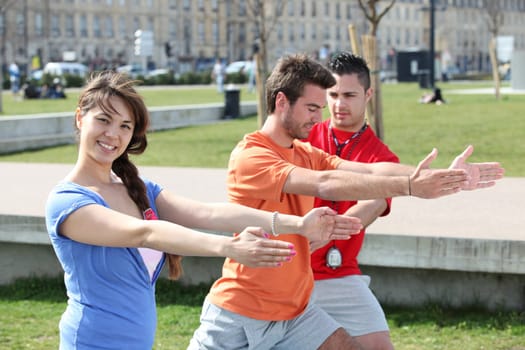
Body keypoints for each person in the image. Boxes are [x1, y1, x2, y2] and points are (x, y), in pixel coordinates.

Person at [188, 53, 504, 349]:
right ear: (281, 101)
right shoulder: (252, 156)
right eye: (313, 107)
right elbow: (326, 184)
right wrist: (409, 185)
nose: (319, 117)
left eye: (321, 108)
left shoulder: (304, 151)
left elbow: (370, 168)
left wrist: (447, 176)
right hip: (242, 311)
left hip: (294, 310)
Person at [44, 71, 361, 349]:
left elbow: (209, 213)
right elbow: (146, 233)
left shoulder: (137, 188)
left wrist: (296, 224)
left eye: (125, 126)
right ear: (79, 118)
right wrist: (230, 247)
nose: (113, 134)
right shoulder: (67, 202)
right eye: (103, 120)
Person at [305, 52, 398, 350]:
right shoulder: (303, 138)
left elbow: (374, 204)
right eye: (332, 94)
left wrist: (331, 229)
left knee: (379, 346)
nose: (338, 104)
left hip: (340, 272)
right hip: (294, 269)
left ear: (368, 94)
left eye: (349, 95)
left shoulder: (381, 157)